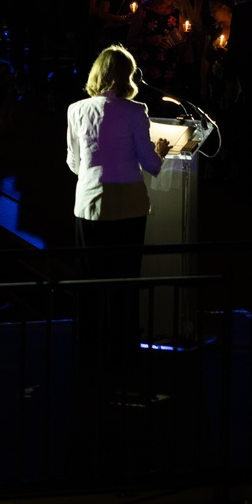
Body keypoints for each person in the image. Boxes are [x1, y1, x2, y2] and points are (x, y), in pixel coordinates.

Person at [66, 44, 171, 389]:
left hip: (91, 203)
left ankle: (88, 352)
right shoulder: (136, 110)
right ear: (128, 76)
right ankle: (123, 352)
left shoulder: (77, 109)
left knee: (89, 283)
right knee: (125, 281)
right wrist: (161, 152)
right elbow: (150, 165)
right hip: (129, 204)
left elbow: (73, 162)